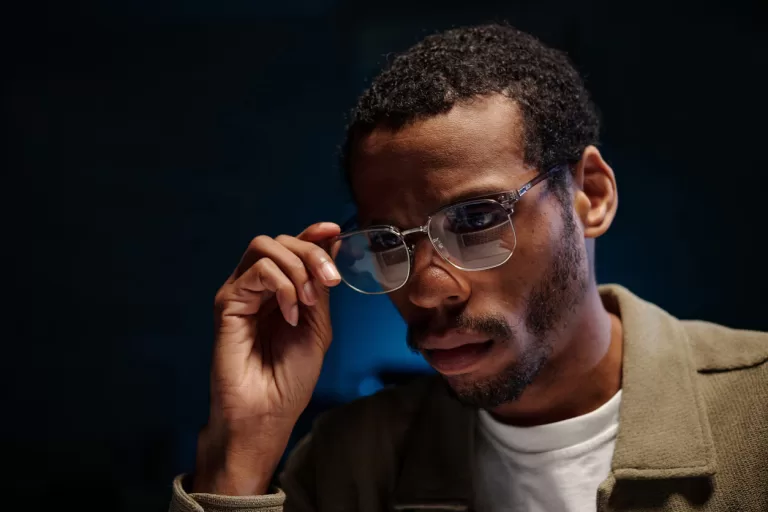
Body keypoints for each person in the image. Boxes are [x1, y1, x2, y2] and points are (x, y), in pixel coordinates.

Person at [169, 23, 768, 512]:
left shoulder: (755, 410)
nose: (427, 291)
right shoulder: (352, 460)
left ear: (590, 194)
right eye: (386, 241)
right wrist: (241, 451)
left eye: (477, 219)